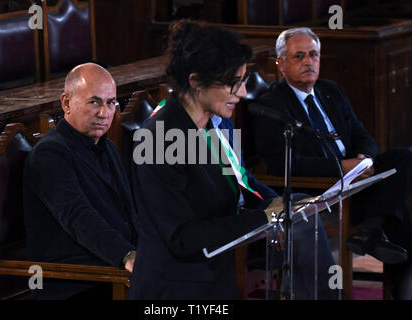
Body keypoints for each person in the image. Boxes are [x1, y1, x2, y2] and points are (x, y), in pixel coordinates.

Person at [128, 20, 338, 300]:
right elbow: (182, 238)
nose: (241, 93)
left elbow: (237, 182)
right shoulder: (157, 138)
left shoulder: (213, 123)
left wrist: (275, 205)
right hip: (177, 286)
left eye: (242, 82)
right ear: (195, 82)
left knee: (300, 211)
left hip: (219, 267)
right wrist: (264, 218)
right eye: (232, 83)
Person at [250, 27, 412, 299]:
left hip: (357, 182)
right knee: (402, 214)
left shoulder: (331, 90)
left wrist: (365, 159)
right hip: (320, 192)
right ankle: (381, 247)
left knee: (405, 156)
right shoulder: (272, 104)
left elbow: (363, 135)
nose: (308, 62)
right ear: (281, 63)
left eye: (314, 55)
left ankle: (372, 228)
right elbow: (282, 165)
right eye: (299, 56)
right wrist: (340, 167)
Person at [23, 63, 138, 299]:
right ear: (66, 103)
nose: (104, 113)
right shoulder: (50, 154)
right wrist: (127, 255)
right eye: (94, 102)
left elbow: (128, 212)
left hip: (112, 271)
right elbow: (78, 217)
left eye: (111, 102)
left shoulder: (108, 147)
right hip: (75, 282)